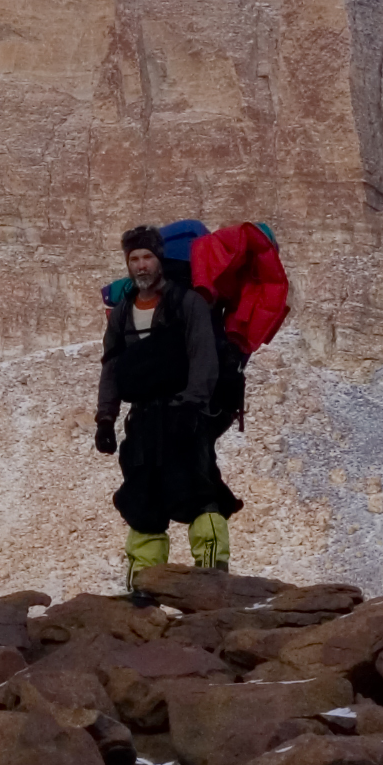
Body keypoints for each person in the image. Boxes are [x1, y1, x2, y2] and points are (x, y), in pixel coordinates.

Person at [93, 222, 243, 581]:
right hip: (142, 420)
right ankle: (144, 587)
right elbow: (111, 366)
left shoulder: (187, 302)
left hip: (185, 413)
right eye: (134, 259)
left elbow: (203, 355)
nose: (141, 265)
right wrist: (105, 420)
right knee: (142, 499)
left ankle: (211, 578)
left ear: (159, 259)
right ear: (127, 264)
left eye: (147, 257)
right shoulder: (124, 312)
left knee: (199, 489)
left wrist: (193, 407)